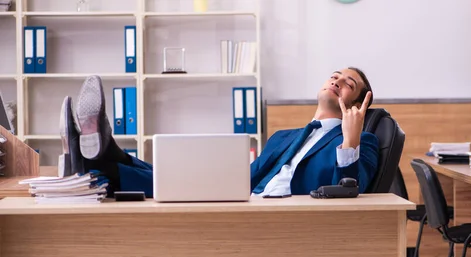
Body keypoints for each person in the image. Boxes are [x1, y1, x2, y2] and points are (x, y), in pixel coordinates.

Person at [60, 68, 379, 198]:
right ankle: (102, 159)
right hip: (251, 200)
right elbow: (250, 176)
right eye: (335, 75)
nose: (337, 80)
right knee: (179, 179)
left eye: (348, 83)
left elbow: (351, 193)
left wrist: (350, 140)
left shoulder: (363, 141)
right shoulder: (283, 136)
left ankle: (96, 161)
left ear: (359, 102)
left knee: (180, 187)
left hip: (291, 217)